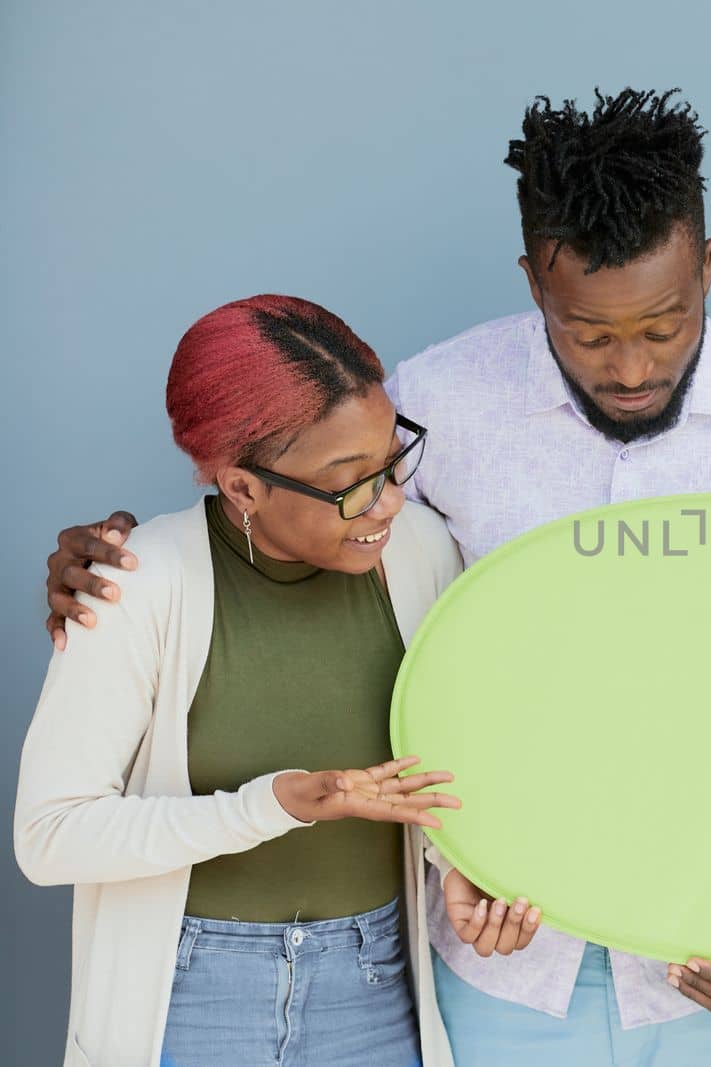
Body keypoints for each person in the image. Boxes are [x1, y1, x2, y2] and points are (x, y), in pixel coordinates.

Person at [40, 89, 711, 1066]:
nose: (632, 364)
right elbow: (323, 564)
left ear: (708, 265)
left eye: (666, 323)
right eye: (589, 333)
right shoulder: (432, 406)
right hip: (503, 959)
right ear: (532, 280)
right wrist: (126, 561)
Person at [15, 296, 471, 1067]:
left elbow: (449, 762)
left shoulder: (422, 553)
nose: (389, 500)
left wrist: (461, 867)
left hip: (374, 983)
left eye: (392, 460)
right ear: (244, 489)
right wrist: (271, 805)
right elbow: (48, 837)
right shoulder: (137, 584)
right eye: (349, 482)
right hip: (190, 995)